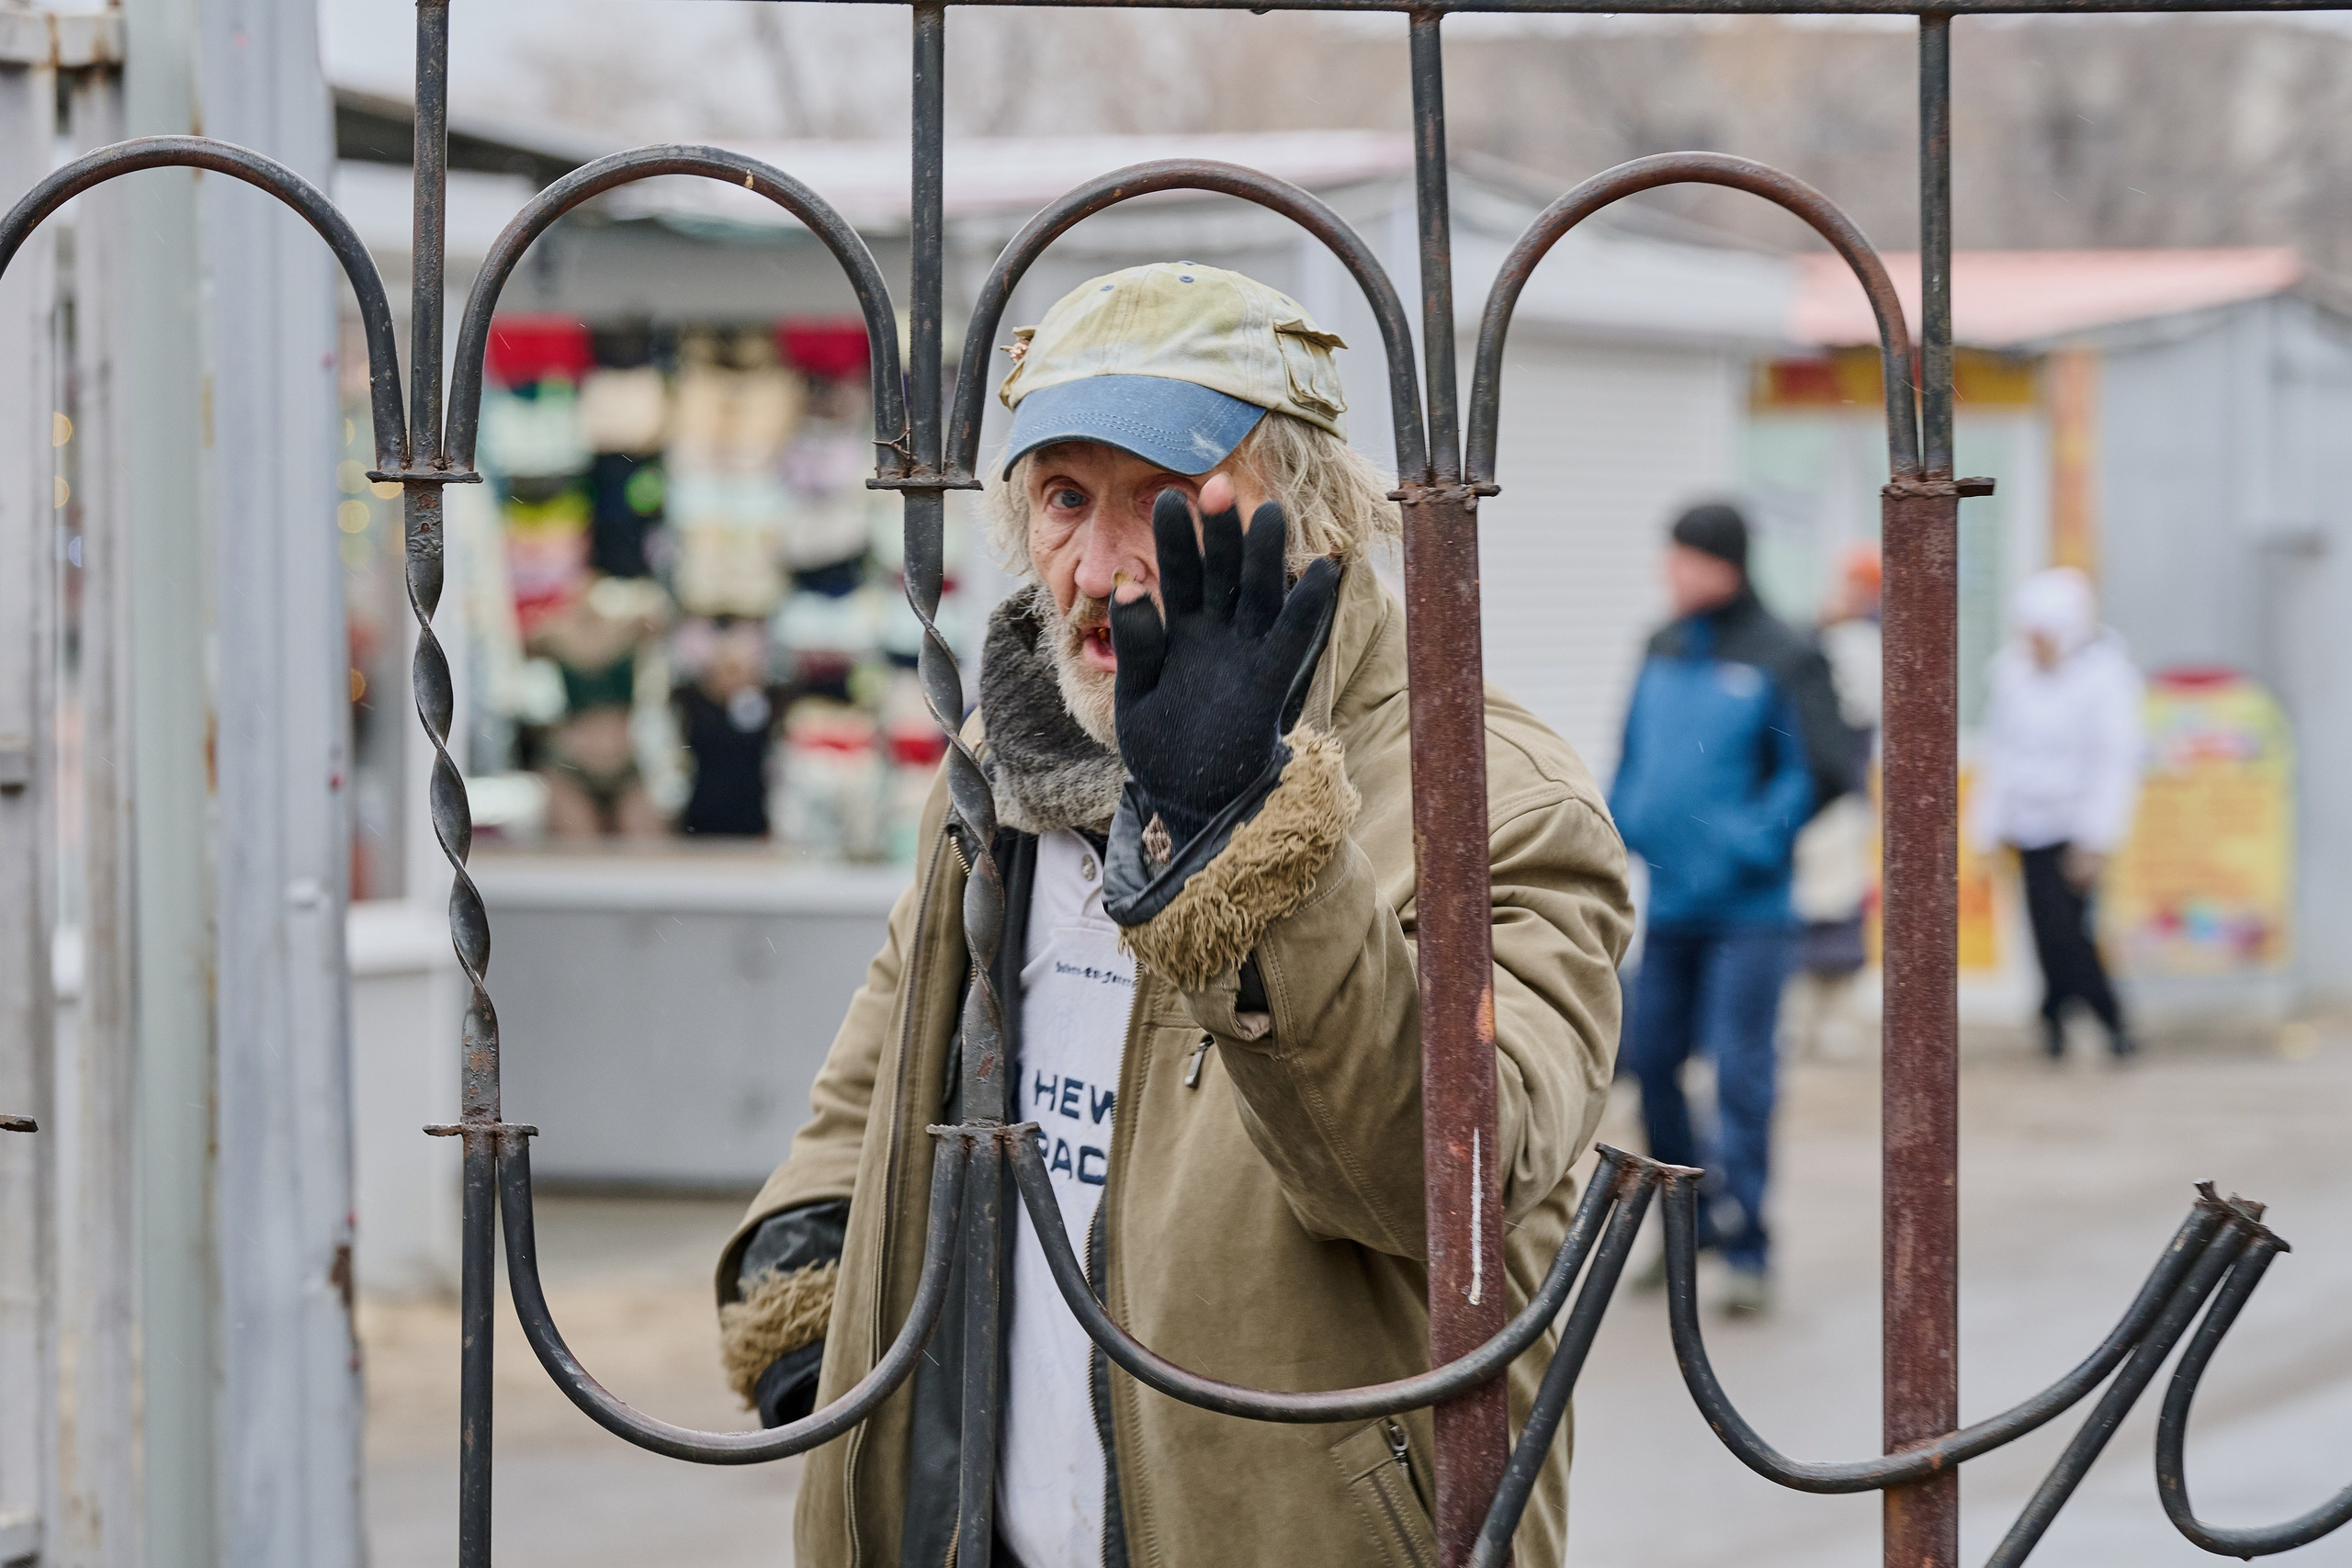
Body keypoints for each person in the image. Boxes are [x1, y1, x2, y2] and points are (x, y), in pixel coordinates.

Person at [711, 262, 1632, 1568]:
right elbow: (892, 1057)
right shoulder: (1010, 760)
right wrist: (813, 1308)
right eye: (1064, 498)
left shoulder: (1489, 800)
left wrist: (1240, 830)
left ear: (1311, 513)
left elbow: (1437, 1189)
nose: (1099, 566)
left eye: (1164, 499)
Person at [1610, 504, 1853, 1316]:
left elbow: (1824, 768)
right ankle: (1691, 1224)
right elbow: (1636, 754)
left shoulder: (1786, 653)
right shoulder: (1661, 645)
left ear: (1724, 566)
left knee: (1741, 1073)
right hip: (1672, 904)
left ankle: (1749, 1243)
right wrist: (1626, 818)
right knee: (1652, 1063)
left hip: (1750, 908)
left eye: (1681, 559)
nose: (1668, 573)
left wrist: (1749, 843)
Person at [1970, 566, 2143, 1060]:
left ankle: (2102, 1018)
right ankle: (2056, 1019)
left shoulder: (2105, 679)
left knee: (2069, 932)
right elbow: (2000, 754)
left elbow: (2114, 762)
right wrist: (1988, 828)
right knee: (2045, 931)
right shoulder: (2012, 674)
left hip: (2074, 827)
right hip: (2027, 827)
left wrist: (2096, 839)